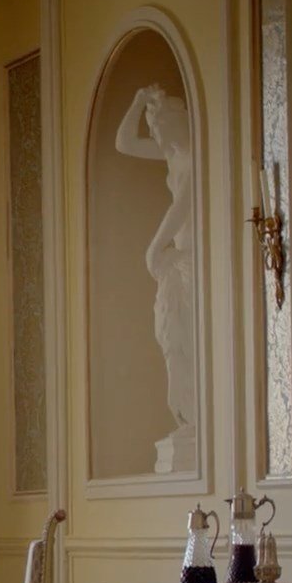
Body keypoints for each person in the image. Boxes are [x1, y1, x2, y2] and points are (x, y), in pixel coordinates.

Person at [115, 82, 198, 472]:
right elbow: (124, 143)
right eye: (154, 129)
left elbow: (184, 204)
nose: (157, 135)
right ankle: (188, 418)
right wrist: (136, 103)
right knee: (172, 337)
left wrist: (155, 247)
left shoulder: (196, 156)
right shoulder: (172, 154)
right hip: (177, 261)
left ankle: (197, 418)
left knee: (187, 339)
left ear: (181, 121)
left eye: (161, 126)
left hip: (193, 259)